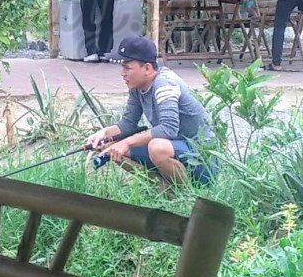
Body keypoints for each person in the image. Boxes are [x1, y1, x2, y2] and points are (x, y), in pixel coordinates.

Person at [84, 35, 217, 186]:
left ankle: (188, 194)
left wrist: (127, 143)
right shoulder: (137, 86)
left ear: (147, 68)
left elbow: (169, 128)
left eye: (127, 67)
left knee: (156, 148)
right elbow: (128, 123)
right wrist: (104, 134)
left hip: (203, 157)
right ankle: (164, 187)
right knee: (111, 147)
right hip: (176, 148)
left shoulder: (165, 84)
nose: (122, 73)